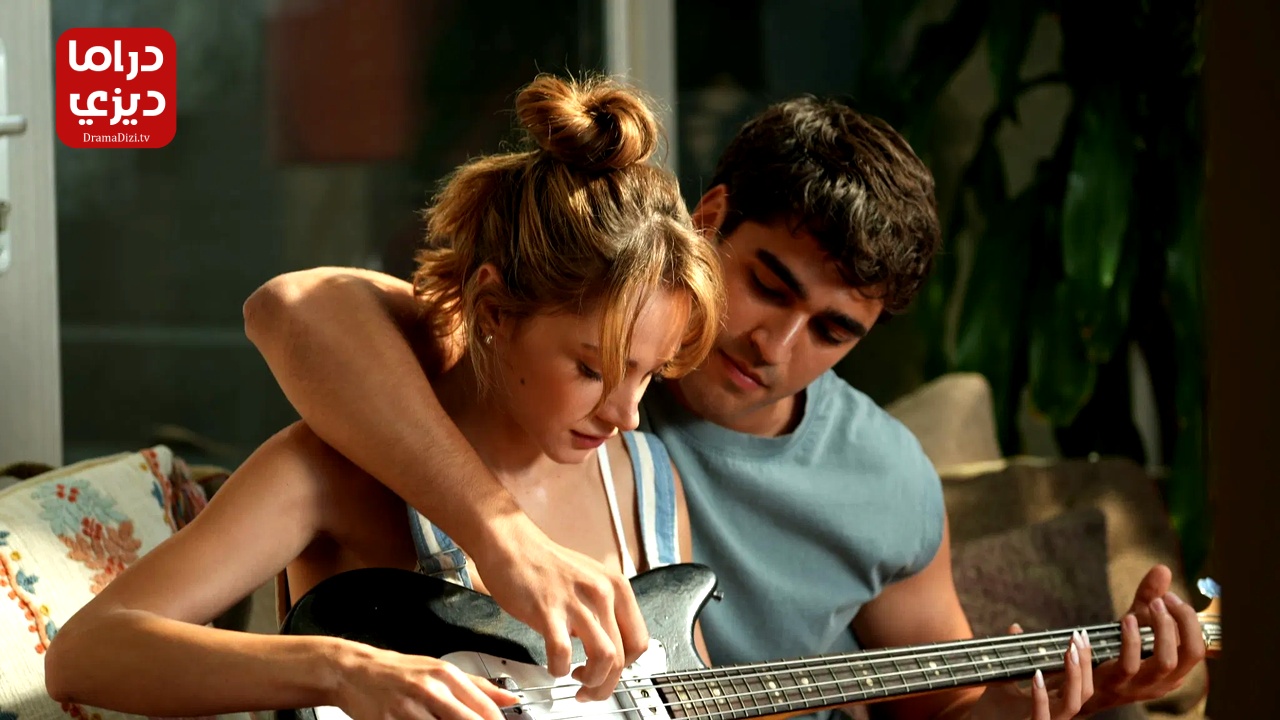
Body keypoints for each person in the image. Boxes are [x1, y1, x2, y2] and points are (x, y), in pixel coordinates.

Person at [239, 95, 1207, 720]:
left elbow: (943, 706)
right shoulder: (580, 356)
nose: (775, 347)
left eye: (833, 331)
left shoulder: (886, 477)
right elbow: (293, 309)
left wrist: (1092, 692)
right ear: (705, 222)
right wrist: (502, 533)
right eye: (768, 285)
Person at [43, 73, 732, 720]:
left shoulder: (645, 483)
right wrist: (340, 669)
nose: (626, 413)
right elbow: (86, 654)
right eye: (591, 369)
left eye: (649, 373)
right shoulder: (333, 470)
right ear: (494, 310)